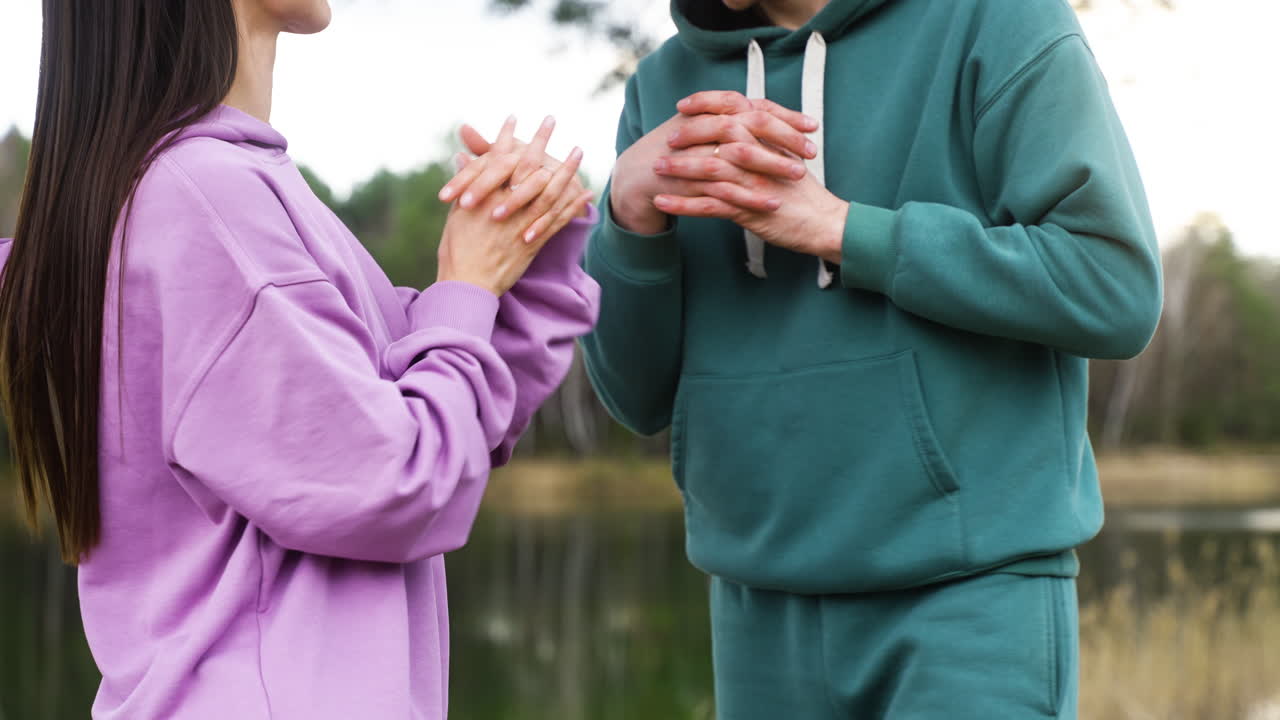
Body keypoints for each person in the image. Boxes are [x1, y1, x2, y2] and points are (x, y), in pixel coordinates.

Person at [0, 1, 598, 718]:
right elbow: (395, 480)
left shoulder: (210, 188)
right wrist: (467, 283)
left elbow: (449, 420)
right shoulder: (203, 197)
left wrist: (528, 243)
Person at [578, 0, 1163, 717]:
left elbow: (1114, 286)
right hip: (754, 606)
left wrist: (845, 230)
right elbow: (634, 398)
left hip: (971, 600)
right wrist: (629, 218)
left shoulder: (998, 20)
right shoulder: (665, 87)